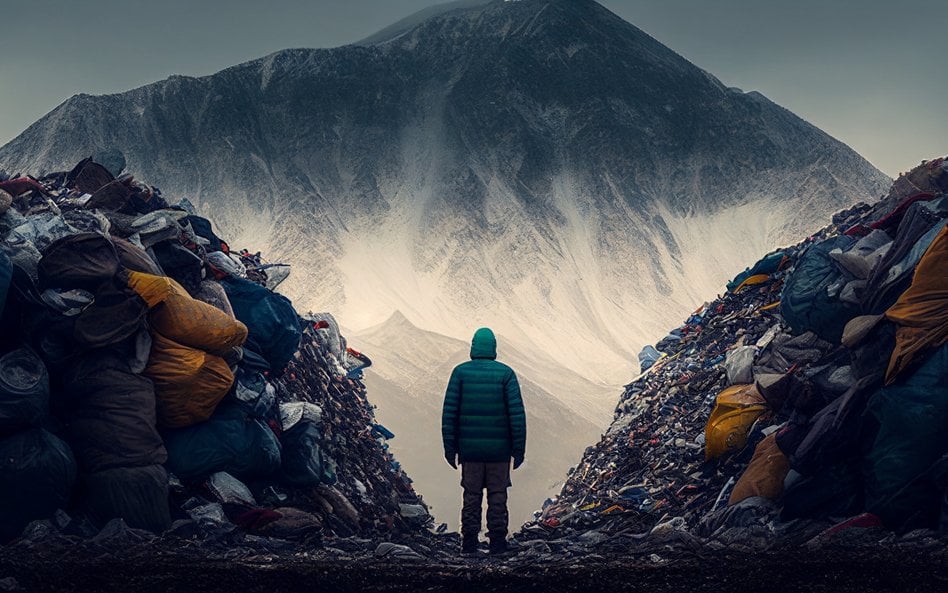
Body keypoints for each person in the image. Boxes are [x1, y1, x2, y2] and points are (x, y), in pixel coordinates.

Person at [441, 327, 526, 556]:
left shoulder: (460, 373)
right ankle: (497, 543)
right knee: (498, 496)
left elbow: (449, 414)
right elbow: (517, 416)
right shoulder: (506, 374)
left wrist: (451, 450)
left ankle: (468, 543)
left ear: (473, 348)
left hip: (470, 452)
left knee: (471, 496)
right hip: (499, 452)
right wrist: (518, 451)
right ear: (494, 348)